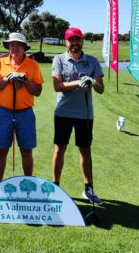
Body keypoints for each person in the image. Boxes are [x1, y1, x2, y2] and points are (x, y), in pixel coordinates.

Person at [51, 27, 105, 204]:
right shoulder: (59, 59)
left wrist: (93, 82)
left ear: (82, 41)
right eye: (71, 40)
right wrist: (78, 82)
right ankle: (55, 187)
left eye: (77, 40)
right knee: (60, 149)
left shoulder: (92, 61)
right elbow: (57, 86)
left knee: (85, 150)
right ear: (66, 42)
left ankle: (88, 189)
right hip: (63, 112)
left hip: (85, 115)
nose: (74, 43)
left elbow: (101, 89)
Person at [0, 32, 43, 182]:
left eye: (18, 44)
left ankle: (29, 183)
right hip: (4, 112)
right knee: (1, 150)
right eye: (12, 44)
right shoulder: (1, 63)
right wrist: (7, 79)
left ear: (24, 47)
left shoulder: (33, 65)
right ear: (8, 46)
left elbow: (38, 91)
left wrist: (25, 81)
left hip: (25, 113)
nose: (14, 47)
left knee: (26, 151)